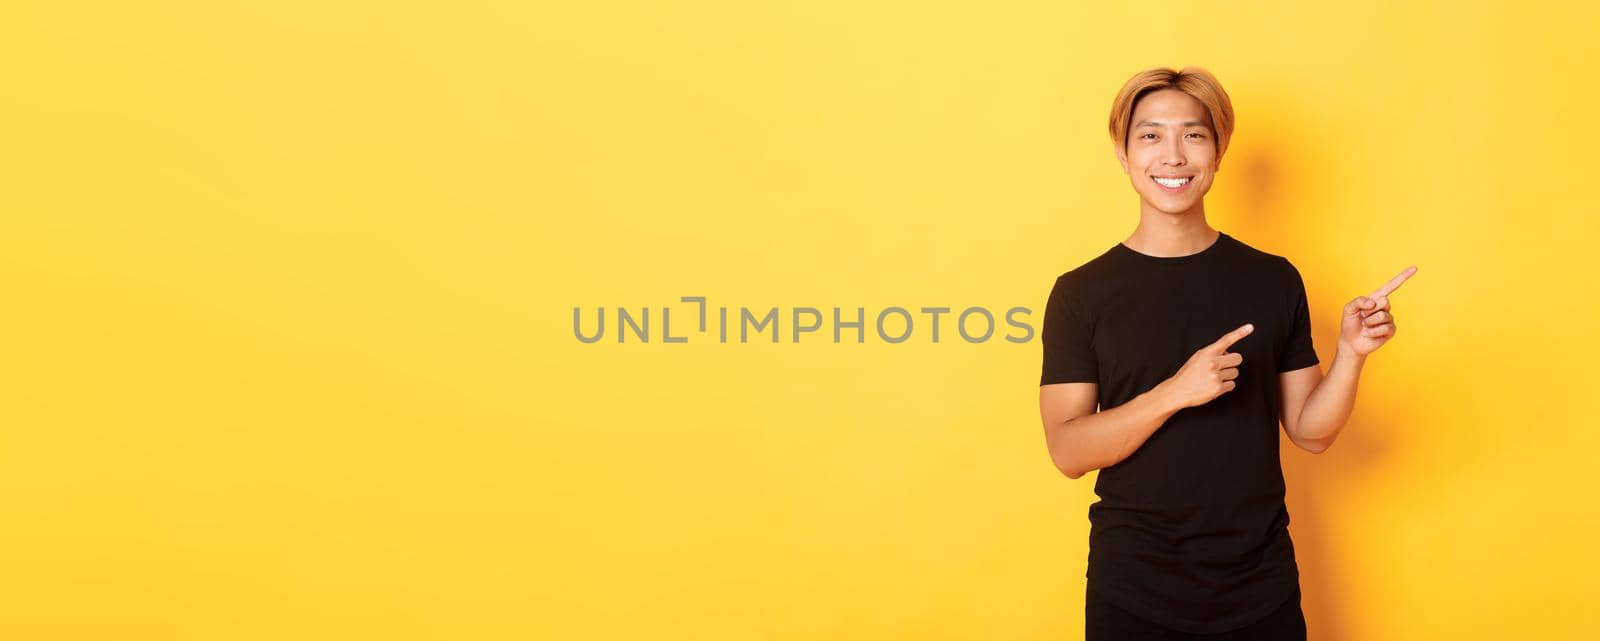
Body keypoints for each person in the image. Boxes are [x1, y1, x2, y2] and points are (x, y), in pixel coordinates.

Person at [1037, 66, 1416, 640]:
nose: (1173, 155)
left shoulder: (1272, 280)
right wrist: (1174, 393)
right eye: (1150, 135)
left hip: (1258, 584)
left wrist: (1351, 354)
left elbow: (1311, 432)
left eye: (1193, 135)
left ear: (1218, 152)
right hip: (1134, 587)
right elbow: (1067, 450)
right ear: (1122, 152)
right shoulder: (1082, 292)